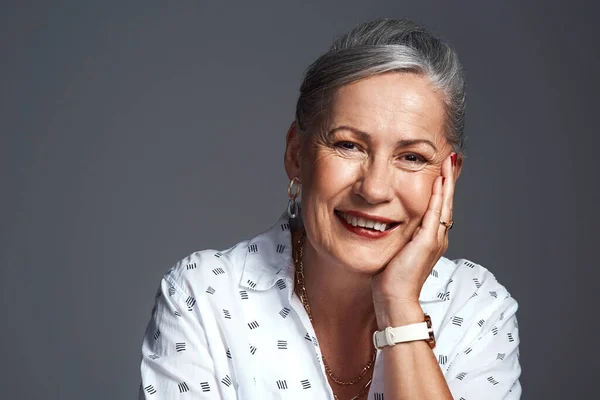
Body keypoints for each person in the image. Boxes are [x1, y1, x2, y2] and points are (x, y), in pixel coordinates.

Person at [138, 19, 521, 399]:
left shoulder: (477, 309)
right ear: (296, 154)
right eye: (349, 145)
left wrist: (400, 308)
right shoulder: (204, 296)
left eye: (411, 156)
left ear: (448, 176)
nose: (373, 189)